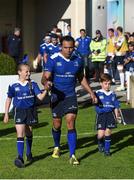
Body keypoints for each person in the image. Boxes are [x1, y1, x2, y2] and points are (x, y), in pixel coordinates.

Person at [41, 35, 97, 165]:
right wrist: (47, 83)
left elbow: (81, 78)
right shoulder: (53, 59)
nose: (69, 50)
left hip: (70, 96)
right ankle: (57, 146)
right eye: (66, 47)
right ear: (61, 46)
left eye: (71, 47)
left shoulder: (78, 59)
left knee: (71, 121)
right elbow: (45, 77)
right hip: (56, 96)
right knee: (57, 124)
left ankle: (72, 155)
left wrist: (91, 93)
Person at [3, 64, 49, 168]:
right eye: (26, 71)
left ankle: (28, 153)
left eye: (29, 71)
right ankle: (20, 157)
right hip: (19, 111)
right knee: (20, 133)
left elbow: (40, 97)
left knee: (29, 132)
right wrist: (6, 114)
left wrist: (46, 89)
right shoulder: (13, 85)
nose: (28, 73)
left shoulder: (33, 84)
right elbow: (9, 99)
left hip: (31, 111)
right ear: (19, 72)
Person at [95, 73, 120, 156]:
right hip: (101, 116)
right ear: (101, 83)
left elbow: (116, 106)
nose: (107, 86)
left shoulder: (113, 94)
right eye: (105, 83)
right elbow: (94, 103)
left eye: (109, 84)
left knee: (108, 132)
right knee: (100, 135)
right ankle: (100, 142)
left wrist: (117, 115)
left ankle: (107, 150)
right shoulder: (97, 93)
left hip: (110, 115)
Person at [114, 26, 128, 91]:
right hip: (118, 55)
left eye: (116, 31)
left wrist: (114, 43)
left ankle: (122, 86)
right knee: (121, 70)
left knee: (120, 70)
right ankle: (123, 85)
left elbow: (117, 47)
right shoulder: (119, 37)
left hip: (121, 55)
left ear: (118, 31)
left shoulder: (121, 37)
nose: (116, 32)